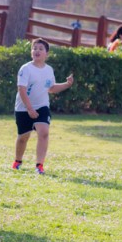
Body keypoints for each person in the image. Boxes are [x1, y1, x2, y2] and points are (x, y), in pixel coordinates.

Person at [11, 38, 74, 175]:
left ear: (47, 54)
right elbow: (21, 90)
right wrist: (29, 108)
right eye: (35, 48)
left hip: (42, 106)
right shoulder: (26, 69)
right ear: (31, 52)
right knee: (23, 138)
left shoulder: (49, 70)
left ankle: (39, 165)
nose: (37, 51)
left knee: (44, 133)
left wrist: (66, 84)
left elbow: (51, 88)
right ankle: (18, 161)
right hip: (24, 108)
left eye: (40, 49)